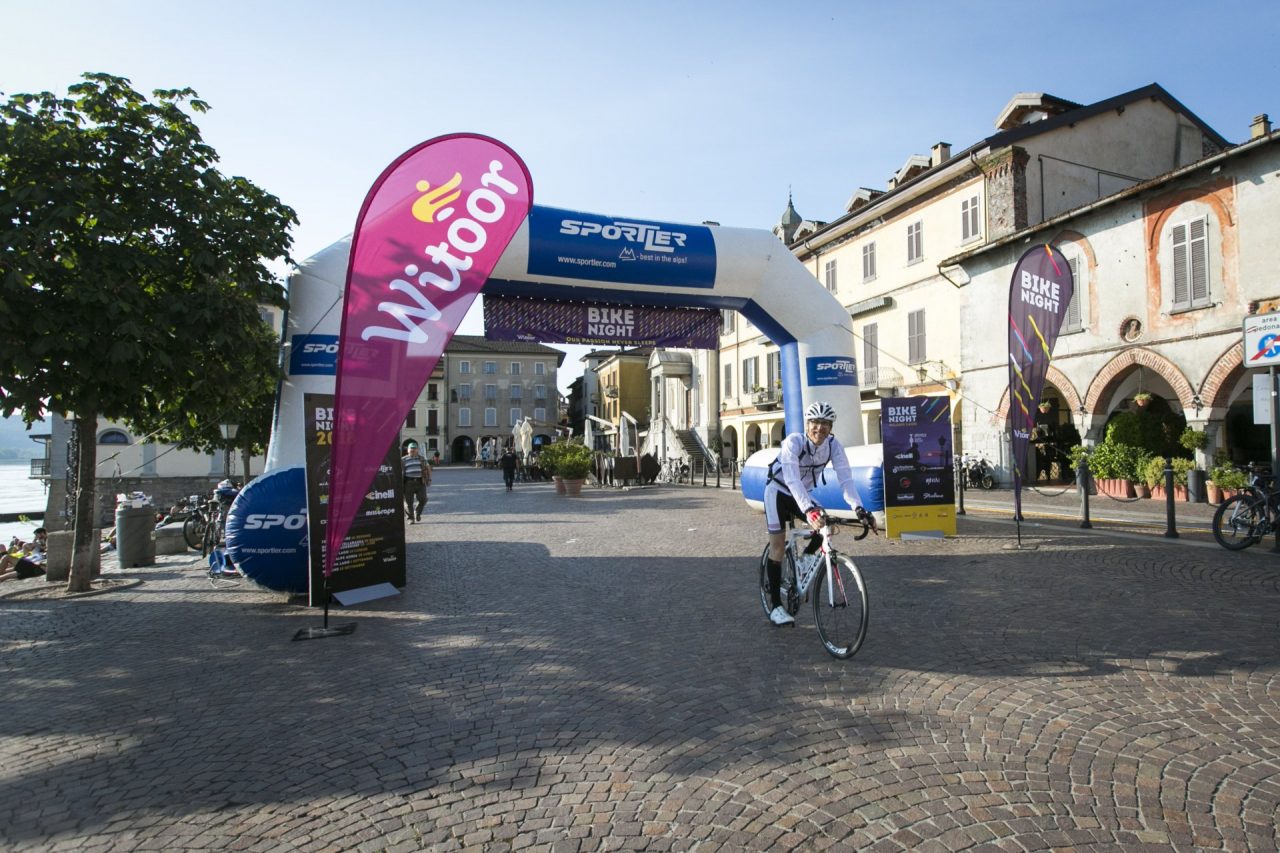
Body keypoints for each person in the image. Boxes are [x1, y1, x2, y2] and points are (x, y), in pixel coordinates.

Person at [762, 402, 875, 627]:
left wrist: (859, 508)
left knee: (827, 525)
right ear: (807, 424)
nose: (820, 428)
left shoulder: (833, 446)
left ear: (831, 427)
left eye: (825, 423)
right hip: (778, 492)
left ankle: (806, 557)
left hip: (803, 494)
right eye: (815, 422)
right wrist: (809, 510)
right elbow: (792, 479)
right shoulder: (794, 442)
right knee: (778, 546)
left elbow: (846, 479)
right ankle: (775, 606)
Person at [402, 442, 431, 524]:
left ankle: (417, 512)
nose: (413, 450)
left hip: (420, 482)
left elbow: (428, 468)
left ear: (417, 450)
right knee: (408, 502)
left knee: (423, 499)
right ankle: (410, 518)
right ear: (407, 450)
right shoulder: (403, 460)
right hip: (408, 483)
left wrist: (429, 479)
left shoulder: (422, 459)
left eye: (414, 448)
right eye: (411, 448)